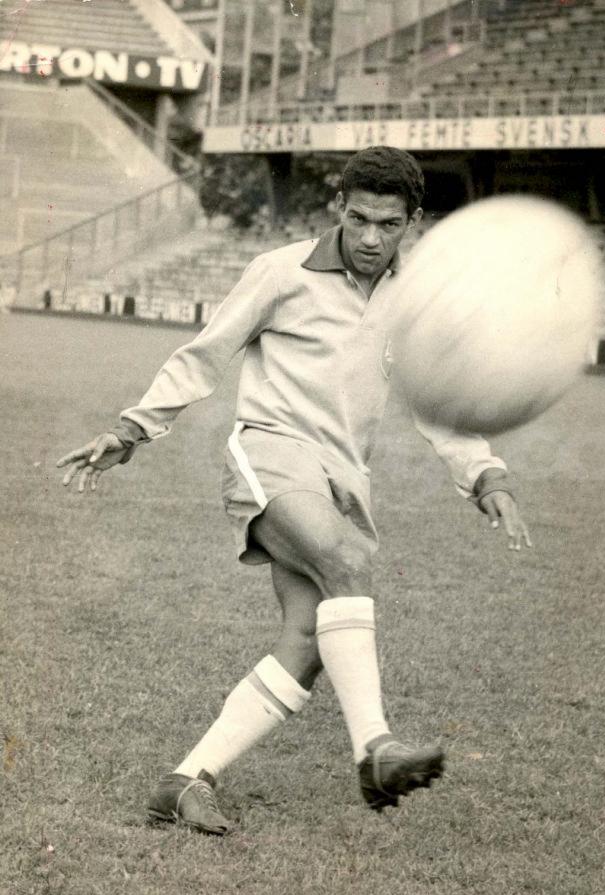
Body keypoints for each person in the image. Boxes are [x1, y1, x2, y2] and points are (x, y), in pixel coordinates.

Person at [57, 146, 531, 836]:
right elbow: (206, 353)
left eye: (389, 225)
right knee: (347, 562)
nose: (372, 239)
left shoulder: (416, 297)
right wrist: (133, 429)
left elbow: (437, 402)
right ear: (339, 208)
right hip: (271, 453)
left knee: (308, 640)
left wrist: (483, 473)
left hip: (344, 477)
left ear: (414, 222)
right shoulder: (279, 272)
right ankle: (374, 749)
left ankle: (184, 781)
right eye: (360, 219)